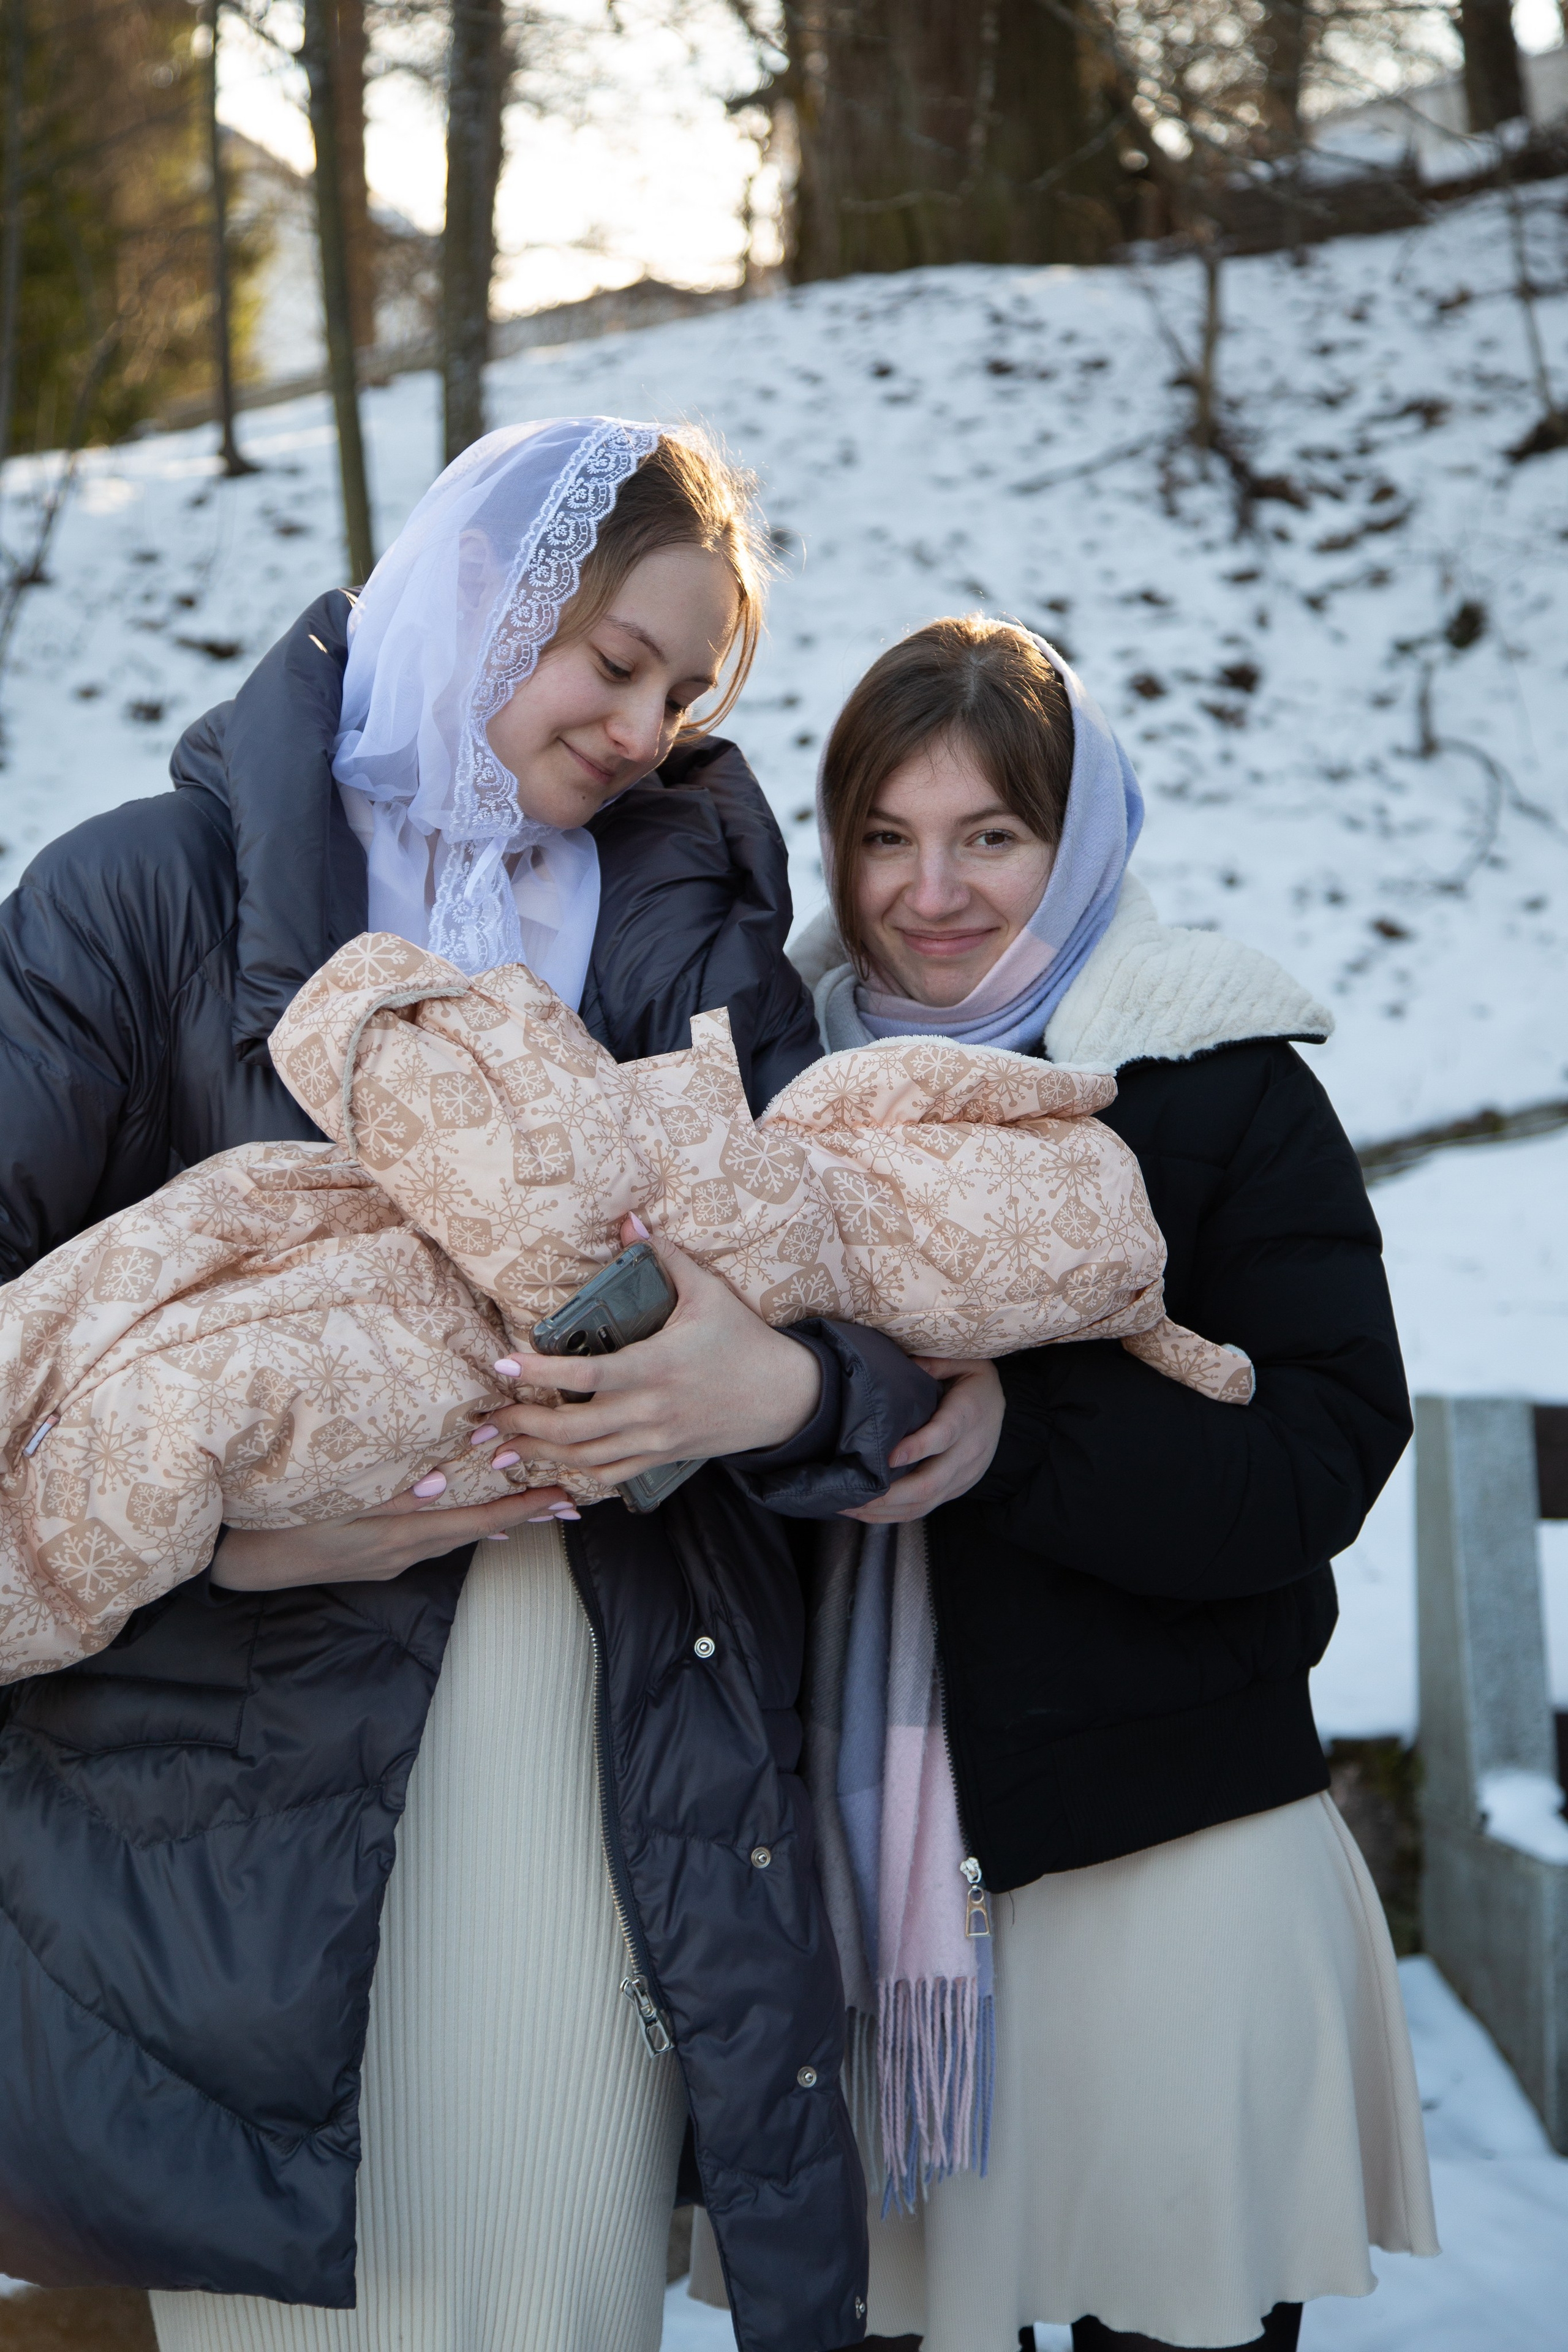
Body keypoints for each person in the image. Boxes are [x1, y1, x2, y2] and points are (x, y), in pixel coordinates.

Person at [0, 418, 971, 2352]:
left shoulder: (688, 949)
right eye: (612, 658)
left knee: (553, 2301)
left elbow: (874, 1286)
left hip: (606, 1773)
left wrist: (764, 1389)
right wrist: (237, 1544)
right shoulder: (141, 900)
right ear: (476, 592)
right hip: (224, 1829)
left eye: (681, 693)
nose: (638, 725)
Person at [690, 615, 1438, 2351]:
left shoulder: (1212, 1078)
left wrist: (1026, 1441)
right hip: (844, 1892)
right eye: (886, 835)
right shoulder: (770, 1098)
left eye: (991, 837)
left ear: (1079, 835)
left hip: (1166, 1879)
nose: (929, 892)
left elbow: (1324, 1449)